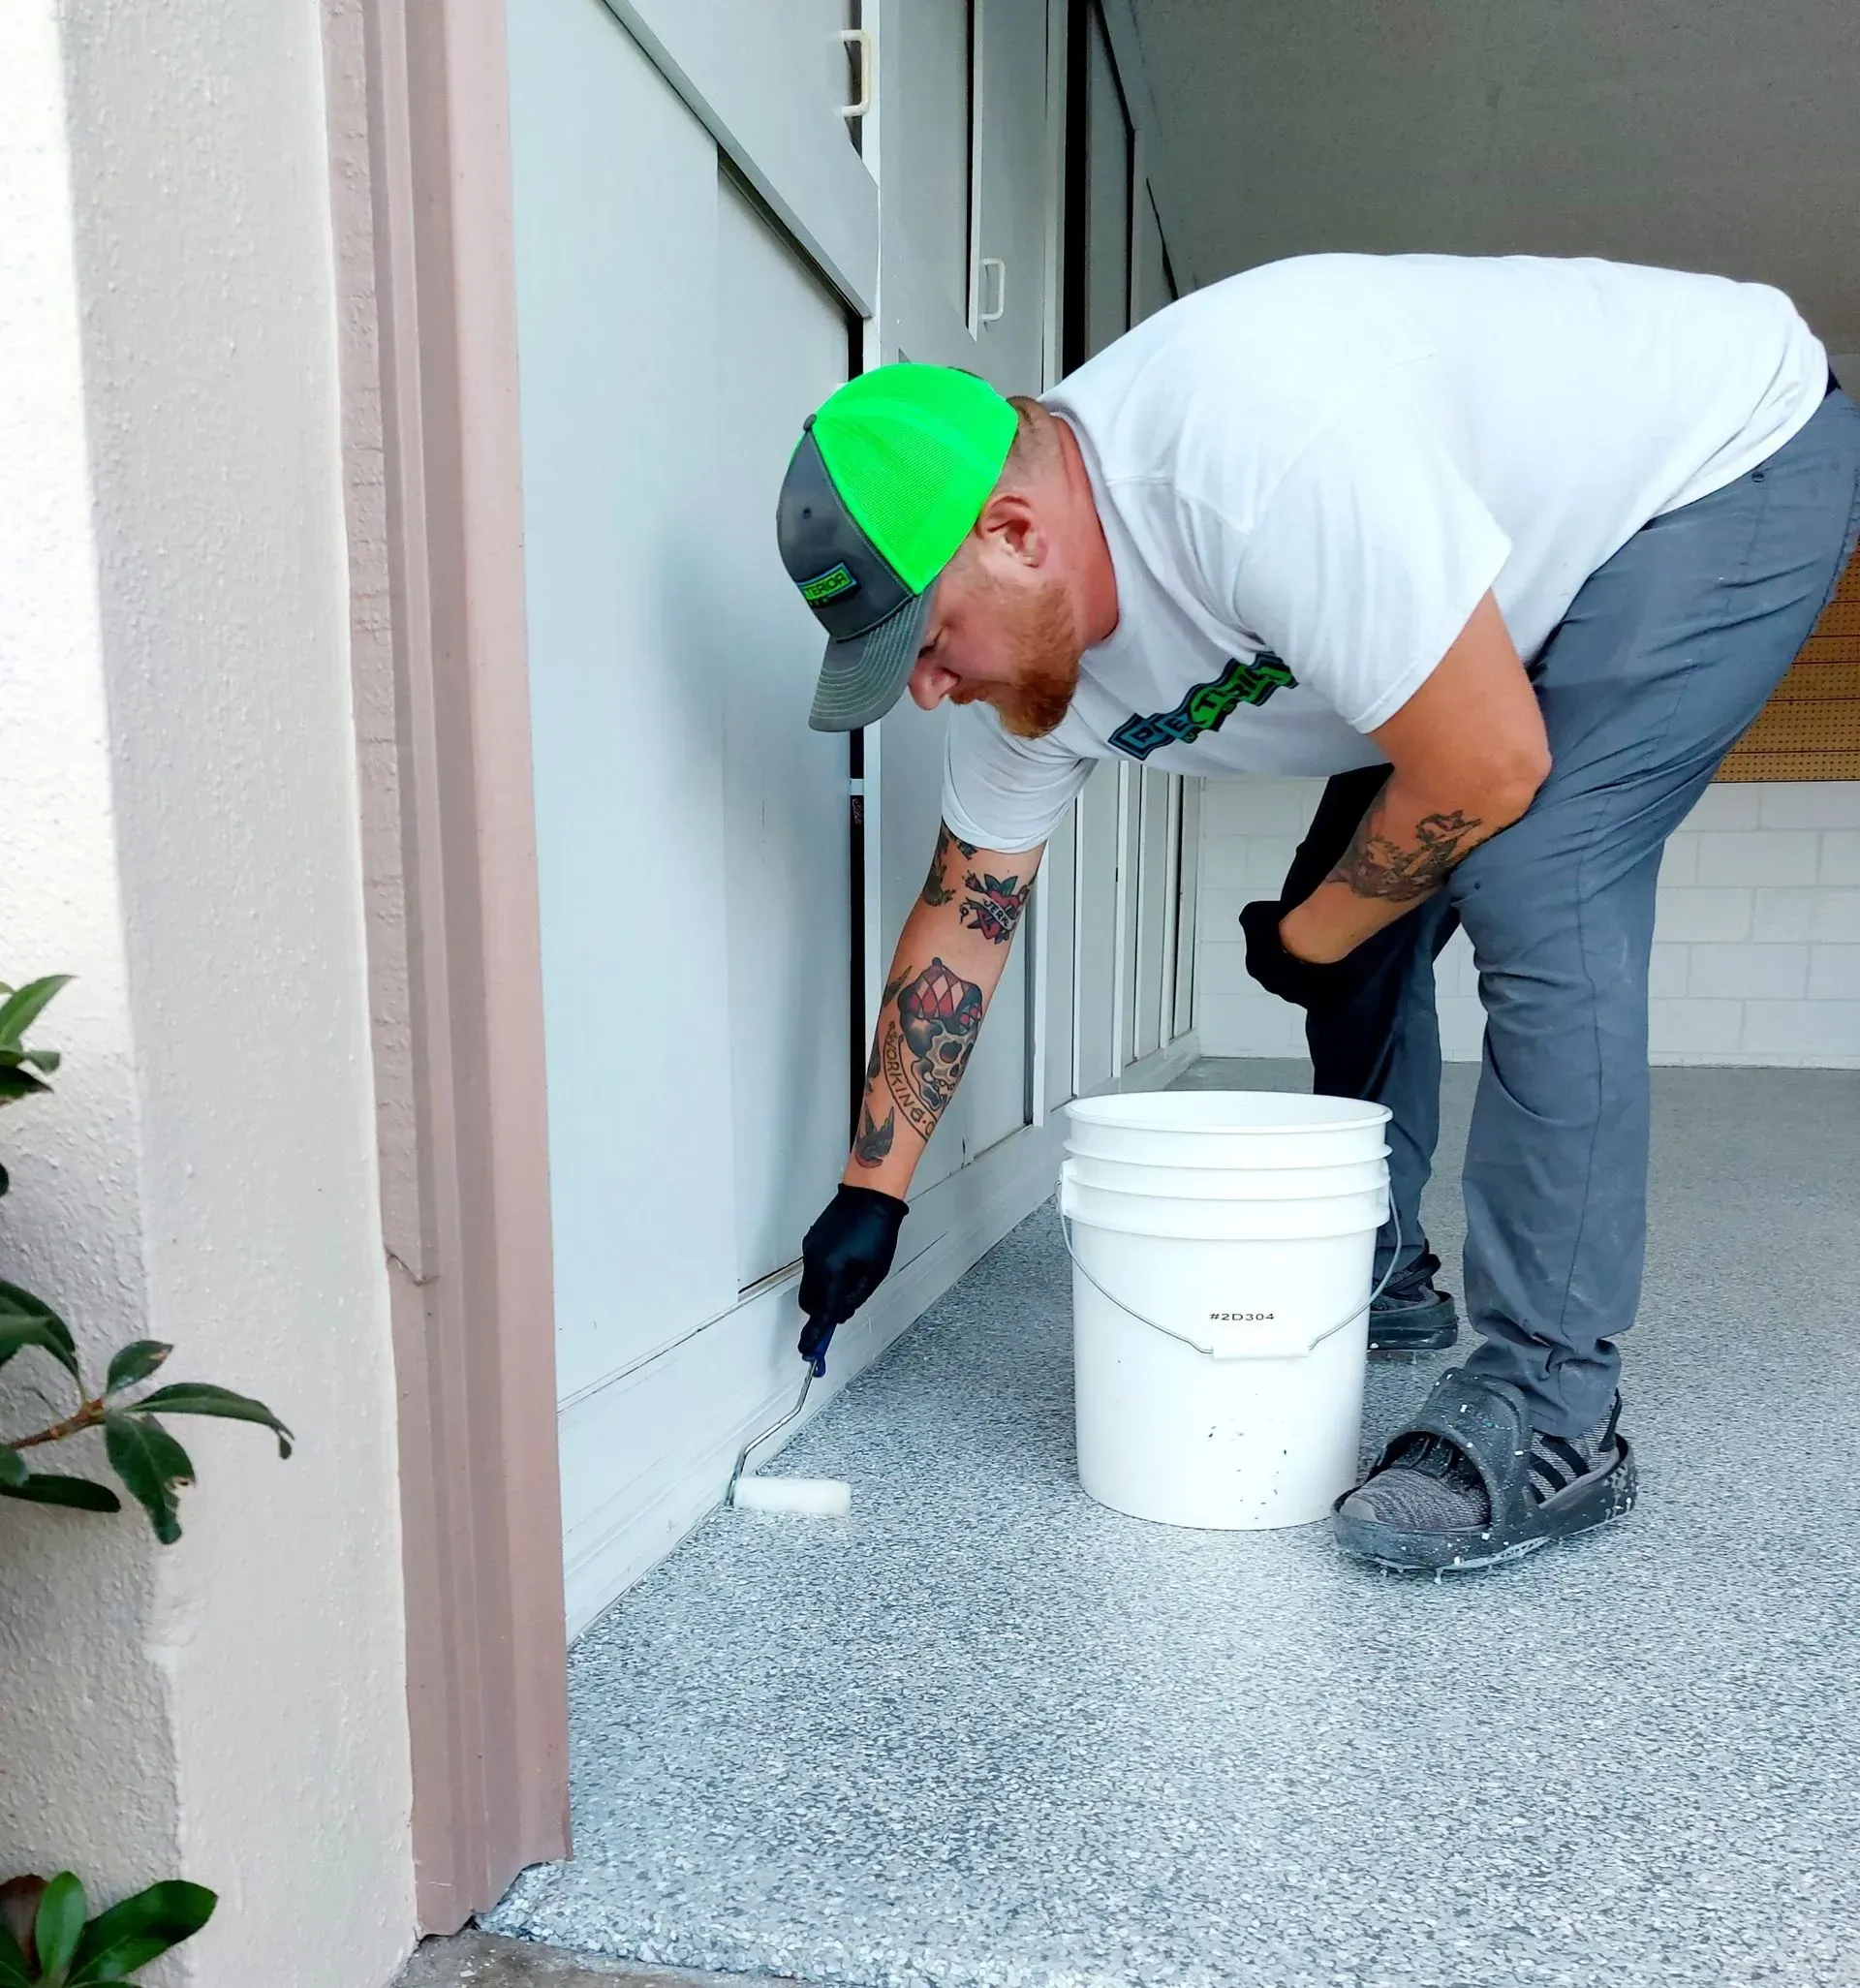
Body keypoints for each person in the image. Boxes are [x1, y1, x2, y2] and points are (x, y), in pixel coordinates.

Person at [772, 253, 1860, 1572]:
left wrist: (1313, 943)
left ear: (1011, 531)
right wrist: (869, 1194)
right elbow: (967, 912)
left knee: (1529, 866)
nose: (930, 693)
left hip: (1710, 470)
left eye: (929, 644)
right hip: (1486, 585)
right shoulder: (1028, 663)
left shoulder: (1251, 455)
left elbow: (1489, 768)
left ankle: (1553, 1404)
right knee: (1371, 879)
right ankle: (1382, 1260)